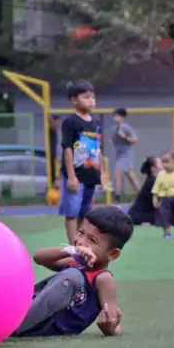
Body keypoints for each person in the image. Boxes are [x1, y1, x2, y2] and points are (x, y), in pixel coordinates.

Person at [12, 205, 132, 338]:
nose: (81, 242)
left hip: (40, 326)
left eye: (91, 240)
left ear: (113, 254)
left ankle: (12, 325)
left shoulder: (103, 279)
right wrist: (70, 250)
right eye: (81, 232)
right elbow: (39, 257)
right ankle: (8, 315)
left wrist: (110, 329)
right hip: (28, 310)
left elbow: (114, 321)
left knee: (73, 276)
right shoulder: (75, 261)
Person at [59, 80, 105, 243]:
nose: (91, 101)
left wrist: (102, 173)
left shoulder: (96, 123)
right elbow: (68, 148)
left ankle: (81, 242)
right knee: (72, 212)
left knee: (84, 212)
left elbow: (98, 149)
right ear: (74, 100)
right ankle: (73, 245)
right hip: (76, 175)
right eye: (86, 97)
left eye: (92, 97)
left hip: (90, 173)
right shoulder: (70, 122)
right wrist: (71, 176)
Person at [111, 108, 140, 203]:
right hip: (119, 154)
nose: (114, 118)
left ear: (122, 117)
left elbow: (135, 140)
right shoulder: (115, 128)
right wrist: (113, 141)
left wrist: (125, 137)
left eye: (116, 116)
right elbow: (114, 140)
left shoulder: (126, 127)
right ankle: (141, 194)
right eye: (114, 116)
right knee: (131, 176)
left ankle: (117, 198)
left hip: (126, 154)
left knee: (117, 173)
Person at [127, 156, 162, 226]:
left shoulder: (154, 180)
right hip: (140, 215)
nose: (164, 165)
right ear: (153, 169)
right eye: (161, 163)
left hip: (143, 214)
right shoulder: (152, 182)